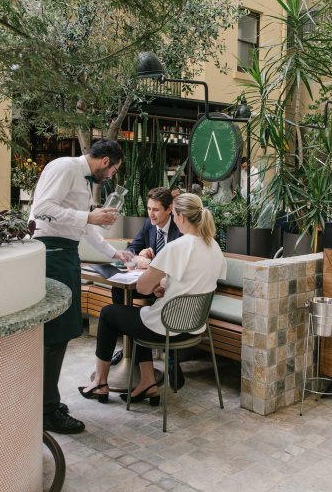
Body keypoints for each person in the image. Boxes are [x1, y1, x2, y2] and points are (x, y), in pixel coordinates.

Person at [77, 193, 227, 405]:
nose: (173, 218)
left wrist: (150, 274)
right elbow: (198, 282)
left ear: (181, 217)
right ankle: (147, 382)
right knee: (140, 315)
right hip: (195, 327)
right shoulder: (214, 247)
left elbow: (142, 286)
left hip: (166, 327)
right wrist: (165, 285)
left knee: (110, 313)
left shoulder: (176, 247)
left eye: (174, 214)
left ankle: (101, 382)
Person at [30, 139, 134, 434]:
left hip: (66, 253)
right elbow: (41, 209)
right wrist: (88, 215)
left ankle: (46, 401)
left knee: (60, 333)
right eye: (114, 169)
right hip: (52, 253)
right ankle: (47, 410)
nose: (112, 175)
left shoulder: (84, 180)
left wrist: (115, 253)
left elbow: (84, 228)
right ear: (105, 161)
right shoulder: (65, 167)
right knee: (56, 333)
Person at [109, 188, 182, 373]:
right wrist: (137, 255)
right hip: (151, 283)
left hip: (170, 285)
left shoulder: (179, 229)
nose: (151, 213)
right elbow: (131, 250)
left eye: (156, 209)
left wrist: (149, 262)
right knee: (118, 290)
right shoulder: (149, 225)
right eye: (149, 208)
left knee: (164, 297)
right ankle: (130, 347)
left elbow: (177, 264)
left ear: (169, 209)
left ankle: (172, 359)